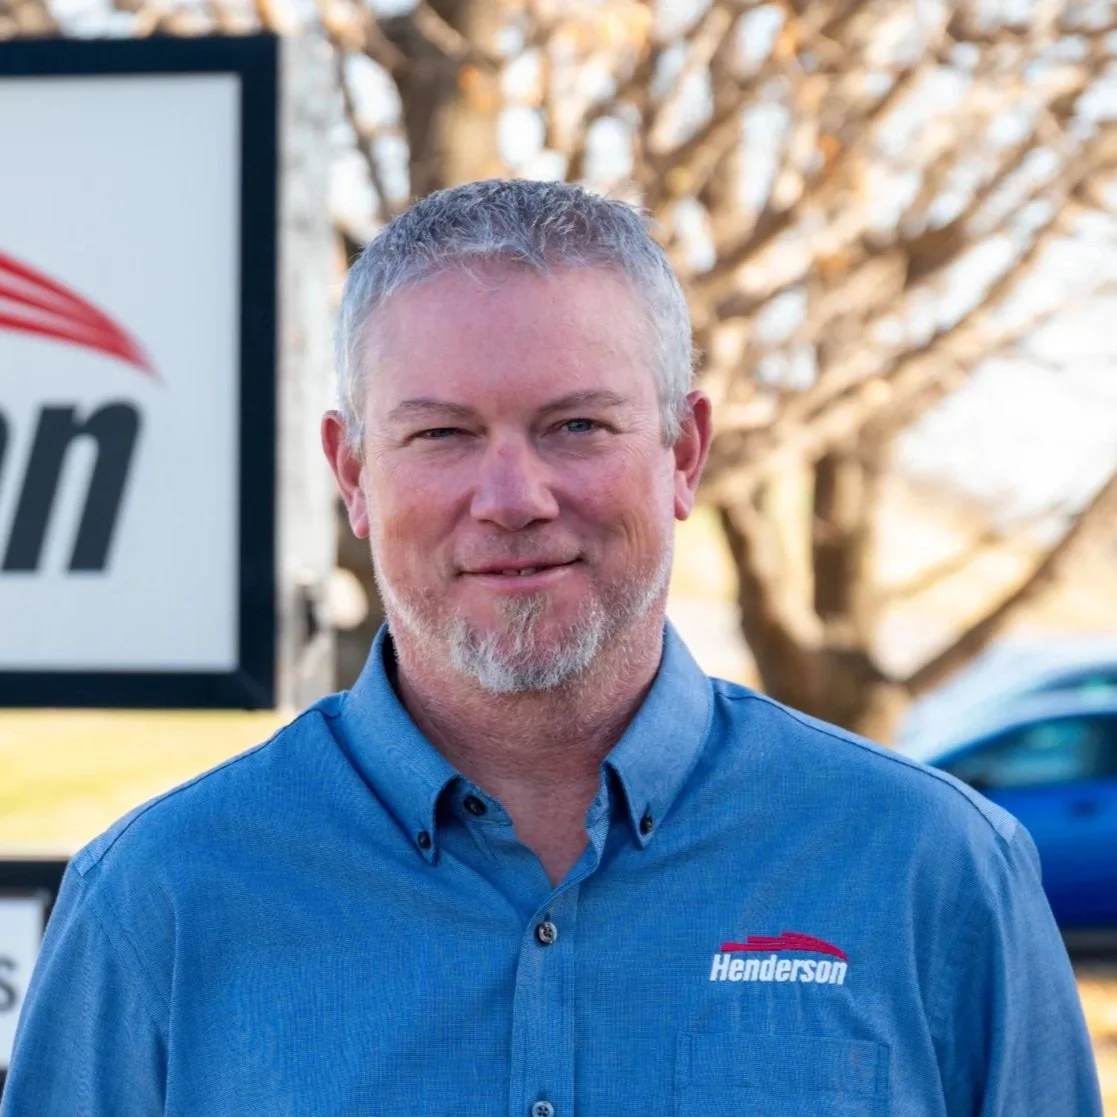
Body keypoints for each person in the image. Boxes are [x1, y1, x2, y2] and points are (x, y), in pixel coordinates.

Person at [2, 180, 1101, 1116]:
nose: (512, 497)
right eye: (442, 433)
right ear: (352, 474)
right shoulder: (160, 900)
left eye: (576, 425)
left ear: (683, 451)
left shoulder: (930, 870)